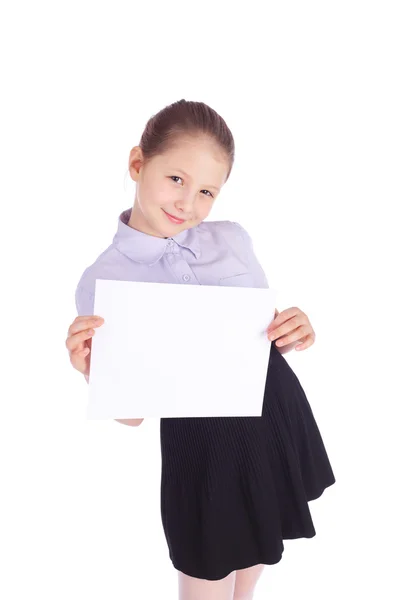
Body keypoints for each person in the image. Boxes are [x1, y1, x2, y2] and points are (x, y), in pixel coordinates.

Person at [65, 99, 336, 600]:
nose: (188, 203)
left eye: (207, 190)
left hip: (272, 411)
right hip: (201, 445)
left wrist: (295, 330)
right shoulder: (103, 279)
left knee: (260, 546)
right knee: (205, 574)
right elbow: (131, 416)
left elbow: (257, 340)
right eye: (176, 179)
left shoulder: (232, 239)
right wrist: (91, 373)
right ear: (137, 163)